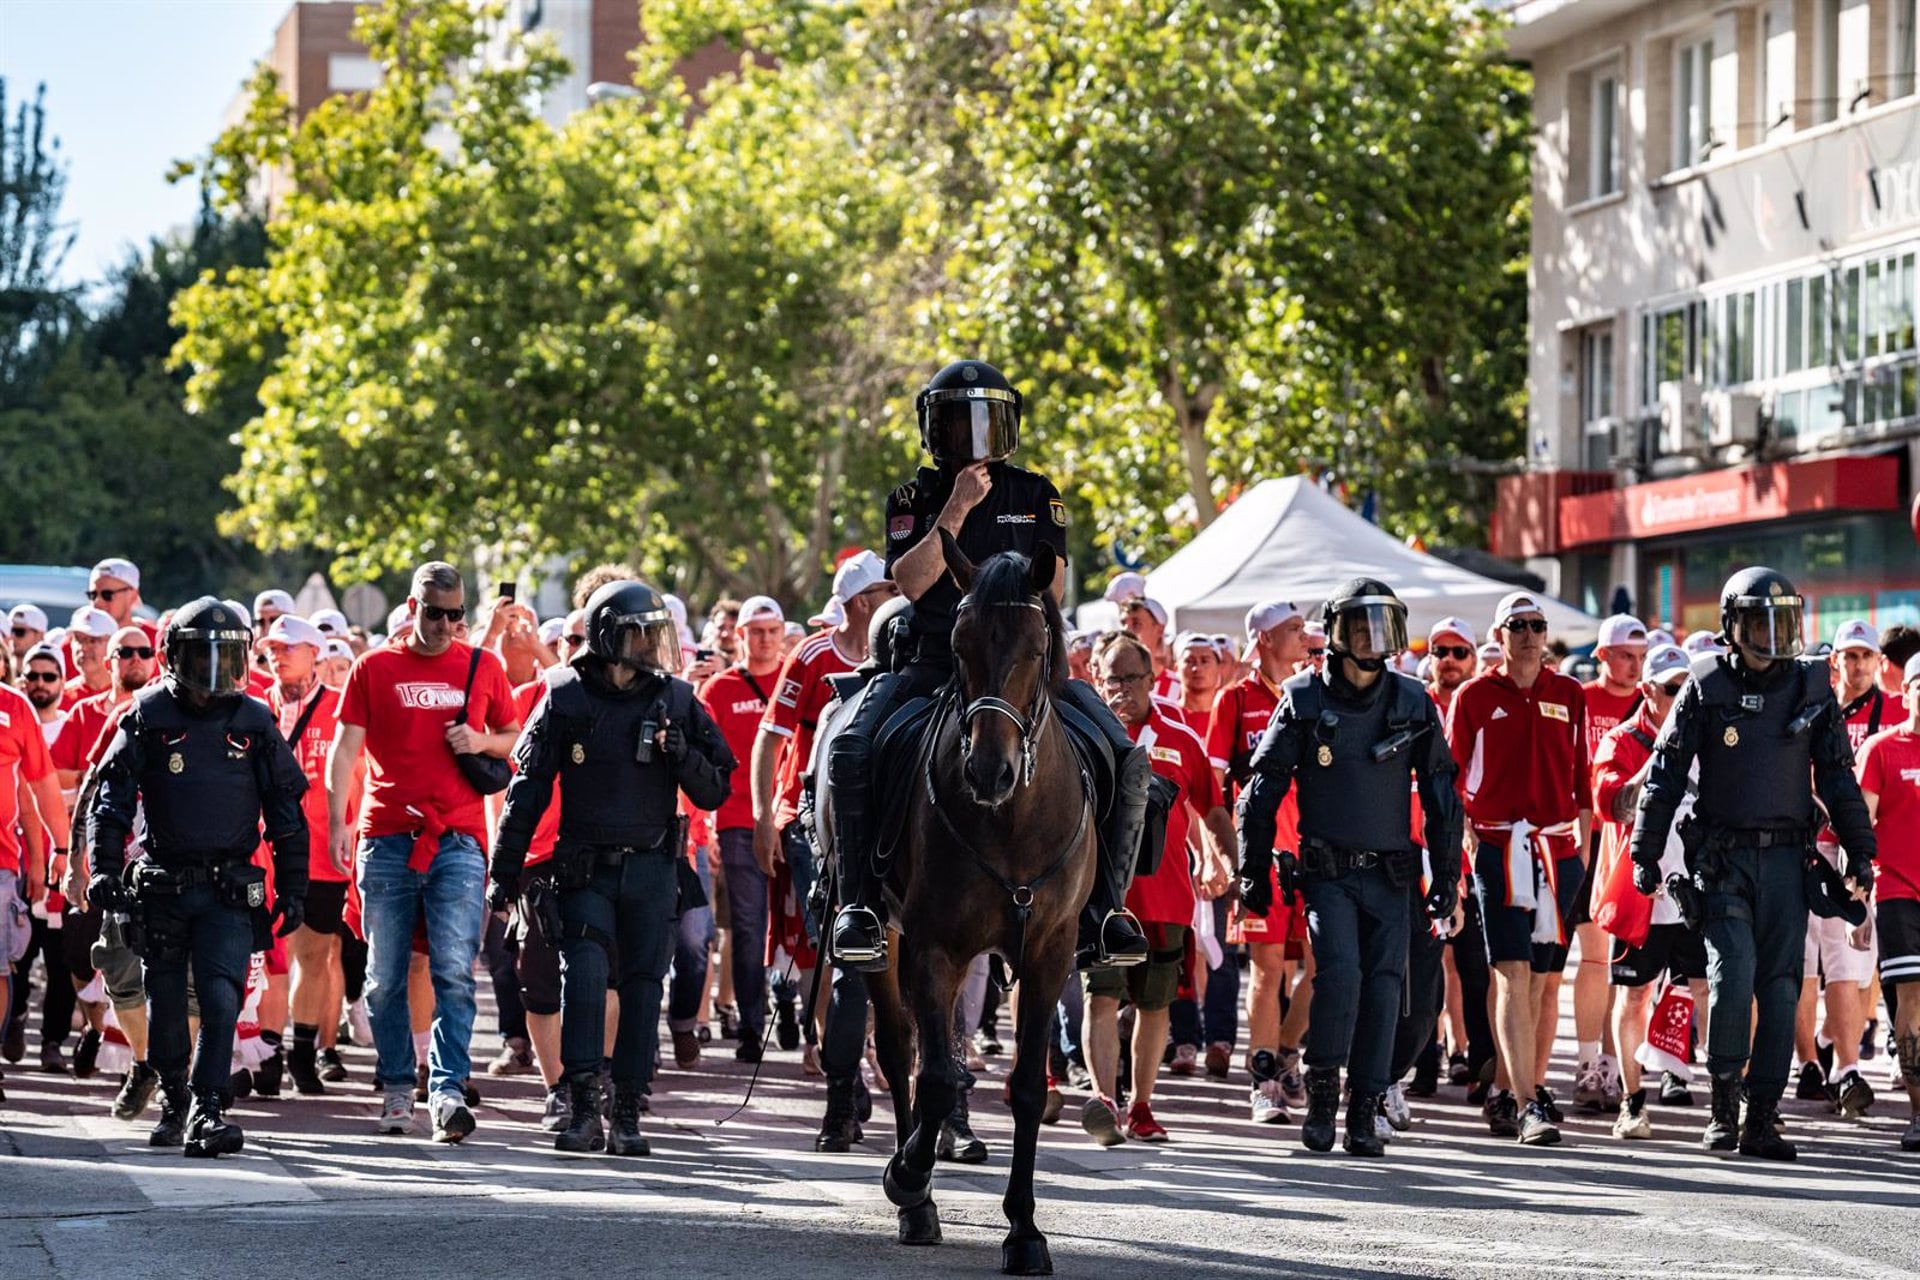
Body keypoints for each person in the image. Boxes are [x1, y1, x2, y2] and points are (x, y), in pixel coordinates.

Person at [827, 359, 1150, 973]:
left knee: (1126, 758)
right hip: (931, 664)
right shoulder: (911, 497)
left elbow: (1050, 587)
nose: (974, 437)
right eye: (957, 422)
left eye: (987, 420)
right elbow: (911, 583)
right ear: (932, 427)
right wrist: (954, 510)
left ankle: (1107, 909)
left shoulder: (1036, 493)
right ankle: (858, 906)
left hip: (1024, 674)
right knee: (851, 750)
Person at [1630, 567, 1875, 1160]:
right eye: (1758, 620)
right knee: (1731, 976)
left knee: (1782, 987)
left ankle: (1762, 1115)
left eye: (1782, 619)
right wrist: (1644, 848)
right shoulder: (1704, 685)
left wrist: (1860, 850)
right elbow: (1663, 775)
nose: (1772, 633)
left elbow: (1839, 779)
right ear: (1730, 625)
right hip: (1723, 860)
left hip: (1790, 862)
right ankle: (1723, 1104)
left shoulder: (1814, 687)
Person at [492, 580, 733, 1155]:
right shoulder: (563, 695)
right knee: (585, 979)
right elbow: (525, 791)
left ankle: (627, 1112)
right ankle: (581, 1109)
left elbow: (717, 786)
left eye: (657, 634)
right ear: (606, 637)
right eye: (638, 634)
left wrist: (683, 756)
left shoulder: (675, 698)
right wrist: (503, 871)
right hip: (582, 869)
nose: (651, 645)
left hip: (653, 868)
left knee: (645, 986)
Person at [1239, 580, 1461, 1156]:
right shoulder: (1304, 698)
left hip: (1391, 875)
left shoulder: (1413, 700)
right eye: (1359, 625)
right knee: (1339, 978)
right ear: (1336, 633)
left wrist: (1447, 876)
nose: (1371, 638)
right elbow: (1261, 792)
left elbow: (1442, 796)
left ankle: (1365, 1109)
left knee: (1386, 989)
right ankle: (1320, 1096)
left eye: (1382, 625)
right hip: (1327, 872)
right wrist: (1251, 872)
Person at [87, 597, 308, 1158]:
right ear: (173, 657)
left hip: (229, 885)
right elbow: (109, 801)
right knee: (164, 1004)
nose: (215, 671)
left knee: (220, 997)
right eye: (202, 656)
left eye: (227, 656)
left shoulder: (255, 720)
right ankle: (174, 1099)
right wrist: (104, 869)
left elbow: (286, 810)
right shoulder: (145, 714)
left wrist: (295, 886)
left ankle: (209, 1109)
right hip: (162, 883)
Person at [327, 562, 520, 1143]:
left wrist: (480, 740)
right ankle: (393, 1087)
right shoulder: (374, 667)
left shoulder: (484, 666)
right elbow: (344, 750)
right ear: (412, 608)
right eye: (433, 613)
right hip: (385, 838)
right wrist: (338, 821)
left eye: (455, 615)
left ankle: (447, 1092)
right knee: (384, 978)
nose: (443, 625)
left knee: (453, 972)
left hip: (459, 840)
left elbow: (516, 737)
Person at [1448, 590, 1590, 1146]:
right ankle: (1530, 1102)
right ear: (1498, 636)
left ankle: (1510, 1088)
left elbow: (1581, 777)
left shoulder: (1568, 693)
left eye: (1537, 624)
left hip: (1559, 852)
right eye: (1518, 625)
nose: (1530, 634)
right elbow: (1452, 780)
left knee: (1542, 979)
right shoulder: (1475, 696)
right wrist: (1464, 847)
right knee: (1511, 972)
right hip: (1499, 847)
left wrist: (1583, 848)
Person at [1081, 632, 1234, 1145]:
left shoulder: (1183, 737)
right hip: (1100, 898)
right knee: (1101, 998)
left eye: (1132, 677)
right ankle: (1105, 1100)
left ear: (1152, 678)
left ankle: (1141, 1105)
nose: (1122, 688)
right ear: (1096, 680)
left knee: (1154, 1005)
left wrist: (1225, 858)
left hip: (1166, 895)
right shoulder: (1082, 734)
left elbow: (1212, 807)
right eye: (1112, 678)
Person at [1590, 643, 1709, 1139]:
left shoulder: (1708, 736)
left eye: (1690, 689)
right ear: (1647, 692)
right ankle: (1632, 1101)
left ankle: (1731, 1098)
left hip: (1699, 888)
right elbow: (1612, 806)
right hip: (1644, 893)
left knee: (1711, 991)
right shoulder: (1621, 740)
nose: (1684, 699)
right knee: (1635, 993)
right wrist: (1659, 759)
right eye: (1673, 690)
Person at [1206, 600, 1312, 1115]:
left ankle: (1287, 1052)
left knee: (1323, 968)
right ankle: (1263, 1077)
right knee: (1269, 973)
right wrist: (1218, 855)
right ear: (1265, 638)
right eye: (1293, 629)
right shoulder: (1235, 698)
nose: (1304, 635)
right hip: (1261, 854)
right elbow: (1208, 788)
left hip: (1314, 850)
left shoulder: (1313, 692)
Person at [1794, 618, 1894, 1112]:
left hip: (1861, 853)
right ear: (1834, 661)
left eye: (1865, 656)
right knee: (1807, 961)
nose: (1856, 665)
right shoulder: (1813, 707)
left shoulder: (1894, 711)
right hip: (1811, 847)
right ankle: (1821, 1063)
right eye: (1848, 656)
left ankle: (1837, 1057)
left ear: (1879, 662)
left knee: (1851, 966)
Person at [259, 616, 354, 1095]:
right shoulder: (257, 710)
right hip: (266, 854)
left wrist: (352, 832)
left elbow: (362, 774)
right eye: (272, 650)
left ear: (314, 653)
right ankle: (265, 1054)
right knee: (270, 956)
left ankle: (302, 1054)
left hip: (322, 852)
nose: (276, 657)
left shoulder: (340, 709)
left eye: (287, 648)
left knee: (314, 955)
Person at [697, 594, 789, 1062]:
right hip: (739, 823)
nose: (766, 640)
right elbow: (701, 762)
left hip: (794, 819)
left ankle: (791, 1005)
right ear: (740, 636)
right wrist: (708, 825)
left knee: (802, 926)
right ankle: (753, 1025)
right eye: (756, 632)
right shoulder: (718, 690)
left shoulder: (797, 678)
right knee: (750, 928)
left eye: (773, 631)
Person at [1572, 614, 1647, 1112]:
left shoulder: (1653, 700)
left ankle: (1618, 1063)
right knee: (1595, 957)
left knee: (1628, 965)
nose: (1636, 666)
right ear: (1602, 655)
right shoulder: (1581, 699)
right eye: (1626, 656)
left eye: (1641, 657)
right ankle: (1587, 1065)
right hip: (1593, 839)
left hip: (1640, 845)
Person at [1856, 653, 1920, 1150]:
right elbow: (1863, 830)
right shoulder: (1880, 749)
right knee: (1911, 999)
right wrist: (1858, 901)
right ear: (1906, 691)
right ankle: (1919, 1114)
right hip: (1898, 890)